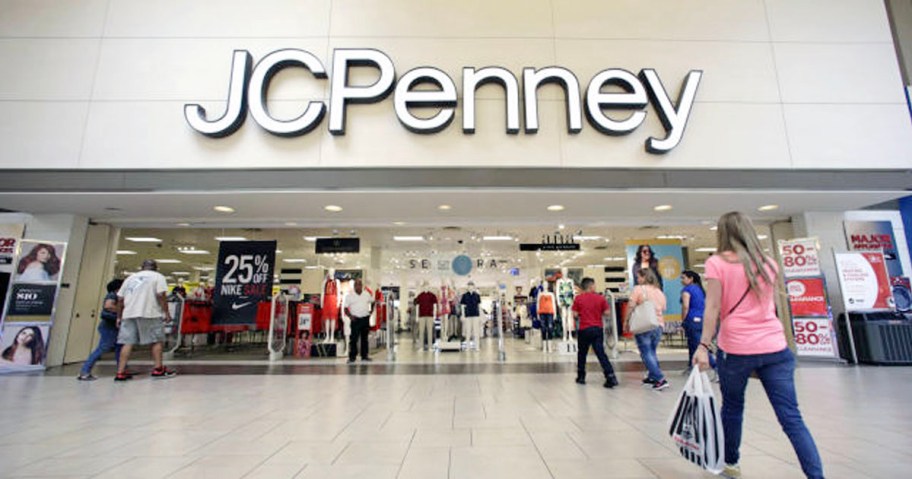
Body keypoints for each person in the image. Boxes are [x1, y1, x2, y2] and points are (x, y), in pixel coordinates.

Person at [694, 212, 823, 479]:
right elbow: (768, 306)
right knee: (791, 418)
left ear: (723, 233)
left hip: (738, 348)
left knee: (732, 407)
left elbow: (713, 308)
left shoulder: (716, 263)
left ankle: (731, 463)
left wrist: (703, 346)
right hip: (776, 348)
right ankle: (816, 475)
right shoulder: (768, 263)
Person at [115, 259, 176, 381]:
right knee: (157, 341)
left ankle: (120, 372)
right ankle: (158, 369)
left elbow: (120, 299)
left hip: (129, 314)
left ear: (142, 267)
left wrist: (119, 316)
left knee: (127, 342)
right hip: (150, 313)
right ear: (156, 267)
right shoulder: (158, 277)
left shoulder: (130, 278)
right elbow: (161, 295)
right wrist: (166, 313)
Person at [571, 277, 618, 388]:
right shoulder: (600, 298)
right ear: (591, 286)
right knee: (600, 353)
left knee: (582, 353)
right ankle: (610, 375)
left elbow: (575, 314)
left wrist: (582, 314)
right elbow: (607, 313)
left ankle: (581, 376)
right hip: (597, 329)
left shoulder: (578, 299)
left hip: (584, 329)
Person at [628, 267, 668, 390]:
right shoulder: (659, 291)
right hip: (658, 324)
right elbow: (664, 308)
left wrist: (626, 321)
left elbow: (630, 306)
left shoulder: (638, 289)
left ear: (644, 277)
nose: (637, 279)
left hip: (644, 325)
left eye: (639, 277)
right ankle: (652, 376)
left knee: (646, 353)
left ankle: (660, 378)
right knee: (651, 351)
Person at [78, 279, 126, 381]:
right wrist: (123, 310)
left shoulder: (118, 296)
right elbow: (108, 306)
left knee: (120, 349)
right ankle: (85, 371)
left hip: (115, 326)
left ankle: (121, 371)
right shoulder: (112, 295)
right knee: (103, 347)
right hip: (109, 326)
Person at [680, 270, 715, 373]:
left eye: (683, 278)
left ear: (691, 279)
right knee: (692, 343)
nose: (681, 280)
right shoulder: (700, 290)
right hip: (702, 319)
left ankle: (715, 366)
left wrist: (683, 320)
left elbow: (685, 306)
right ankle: (692, 366)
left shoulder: (687, 290)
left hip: (691, 319)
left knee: (697, 344)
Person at [343, 279, 374, 364]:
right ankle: (352, 357)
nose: (358, 286)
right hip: (355, 320)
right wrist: (350, 316)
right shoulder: (349, 296)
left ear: (362, 285)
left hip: (365, 319)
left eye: (360, 284)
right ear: (354, 286)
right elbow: (345, 309)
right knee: (353, 339)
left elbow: (373, 301)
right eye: (356, 285)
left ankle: (364, 356)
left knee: (365, 339)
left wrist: (371, 312)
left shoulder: (366, 294)